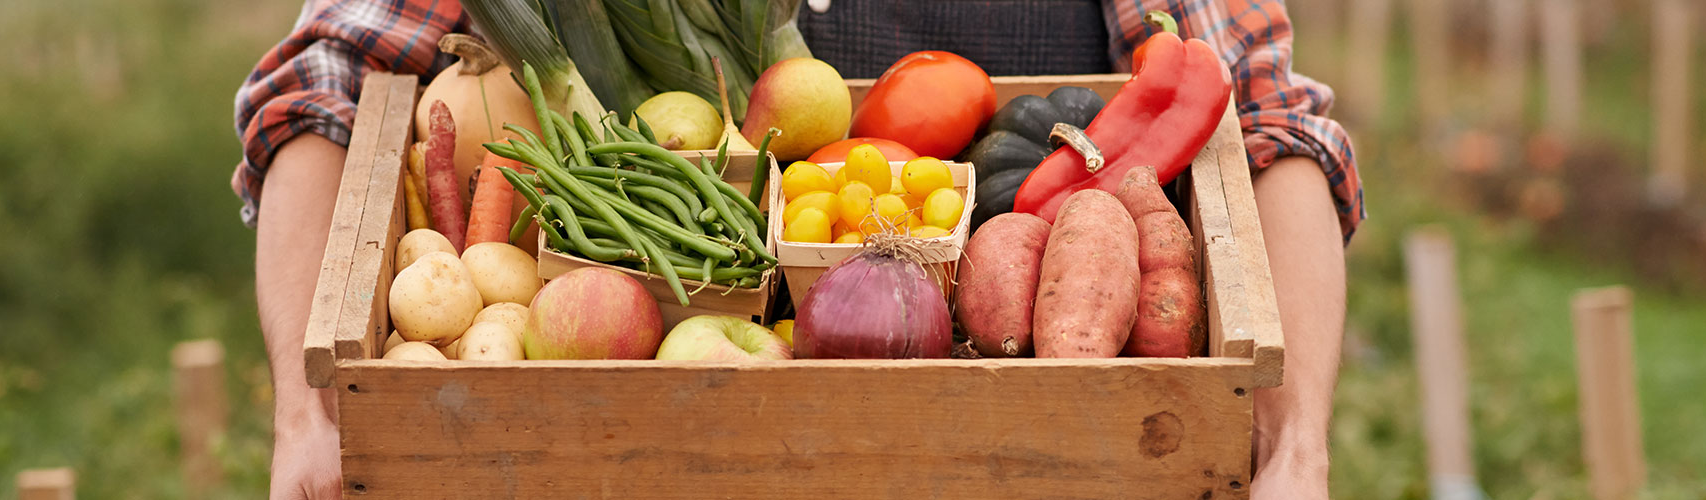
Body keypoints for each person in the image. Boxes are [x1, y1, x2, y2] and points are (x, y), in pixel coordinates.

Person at [233, 1, 1360, 498]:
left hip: (1038, 458)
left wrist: (1295, 445)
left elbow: (1271, 130)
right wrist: (303, 416)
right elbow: (322, 84)